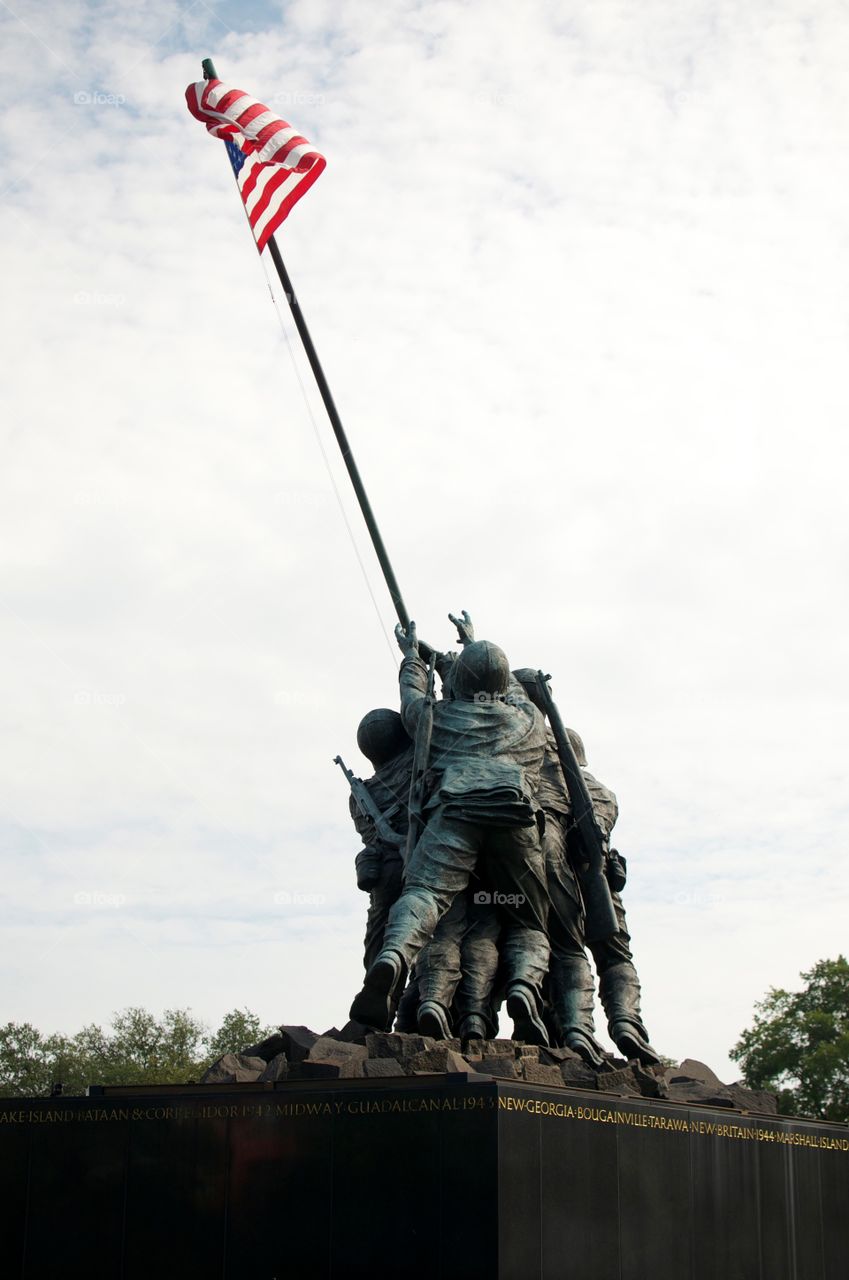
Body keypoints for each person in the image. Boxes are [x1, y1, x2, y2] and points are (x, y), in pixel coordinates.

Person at [350, 621, 551, 1044]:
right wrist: (463, 649)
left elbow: (411, 702)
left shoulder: (434, 720)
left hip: (454, 813)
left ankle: (394, 954)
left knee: (424, 895)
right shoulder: (530, 722)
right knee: (530, 920)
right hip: (515, 820)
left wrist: (412, 658)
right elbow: (511, 688)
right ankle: (522, 988)